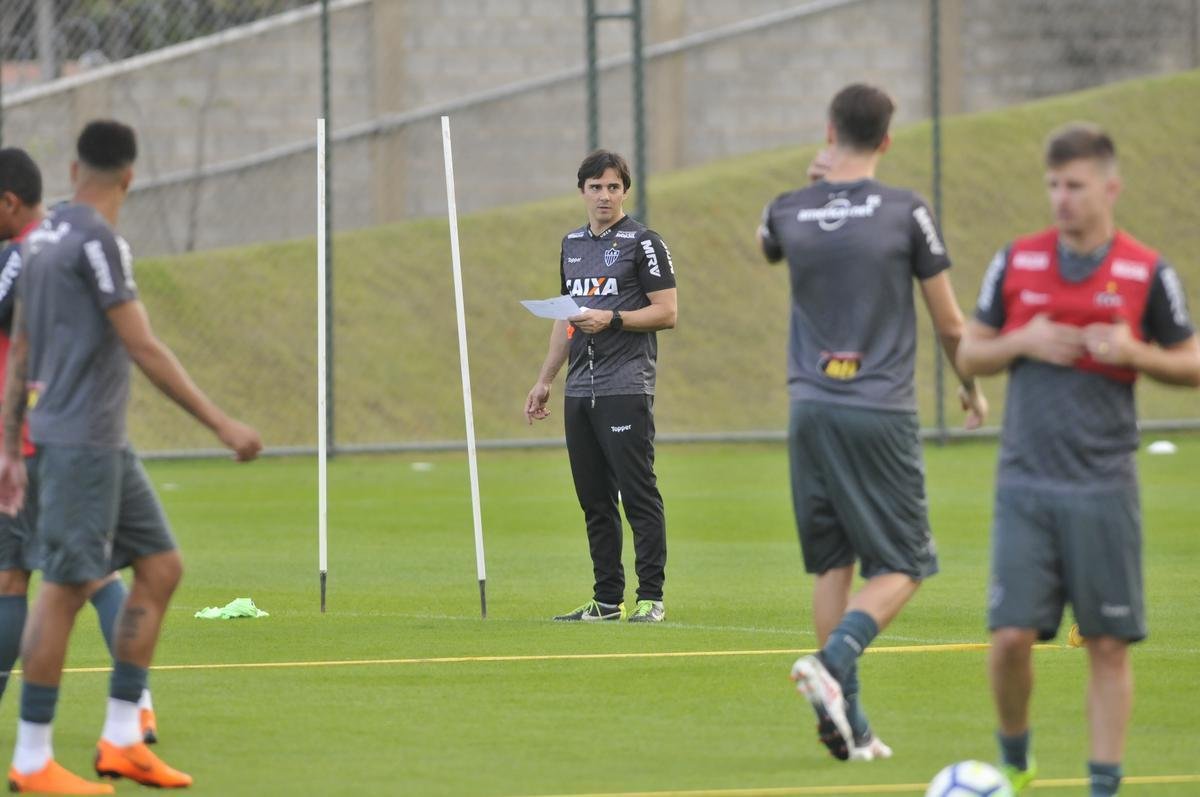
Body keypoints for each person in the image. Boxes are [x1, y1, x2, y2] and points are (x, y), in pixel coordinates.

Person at [0, 121, 262, 794]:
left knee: (161, 565)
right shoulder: (98, 242)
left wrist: (8, 447)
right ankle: (32, 758)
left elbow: (21, 347)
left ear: (72, 168)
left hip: (95, 443)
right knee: (59, 590)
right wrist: (222, 422)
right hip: (80, 444)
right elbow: (143, 346)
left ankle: (121, 737)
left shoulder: (43, 237)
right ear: (130, 177)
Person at [957, 122, 1199, 796]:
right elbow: (971, 353)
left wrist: (1137, 353)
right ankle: (1015, 760)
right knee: (1008, 638)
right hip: (1024, 482)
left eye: (1076, 185)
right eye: (1054, 185)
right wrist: (1023, 339)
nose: (1062, 198)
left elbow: (1192, 360)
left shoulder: (1146, 271)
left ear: (1110, 188)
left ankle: (1104, 784)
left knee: (1107, 643)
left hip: (1102, 484)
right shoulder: (1017, 260)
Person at [757, 83, 987, 762]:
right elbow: (950, 323)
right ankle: (834, 662)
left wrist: (813, 183)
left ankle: (849, 724)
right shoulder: (905, 211)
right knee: (908, 561)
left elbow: (767, 236)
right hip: (877, 408)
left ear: (829, 131)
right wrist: (970, 386)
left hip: (809, 408)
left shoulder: (789, 209)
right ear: (887, 139)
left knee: (833, 562)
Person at [0, 148, 161, 748]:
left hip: (39, 437)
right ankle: (132, 707)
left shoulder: (32, 251)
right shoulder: (62, 247)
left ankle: (130, 707)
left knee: (79, 574)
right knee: (24, 574)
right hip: (46, 433)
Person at [524, 149, 677, 623]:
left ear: (624, 191)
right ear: (582, 192)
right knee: (593, 499)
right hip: (580, 389)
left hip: (625, 385)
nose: (605, 195)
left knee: (637, 493)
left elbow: (667, 312)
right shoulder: (571, 244)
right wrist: (546, 379)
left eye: (613, 187)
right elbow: (565, 318)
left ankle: (650, 597)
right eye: (596, 187)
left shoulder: (644, 242)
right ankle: (607, 600)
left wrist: (612, 318)